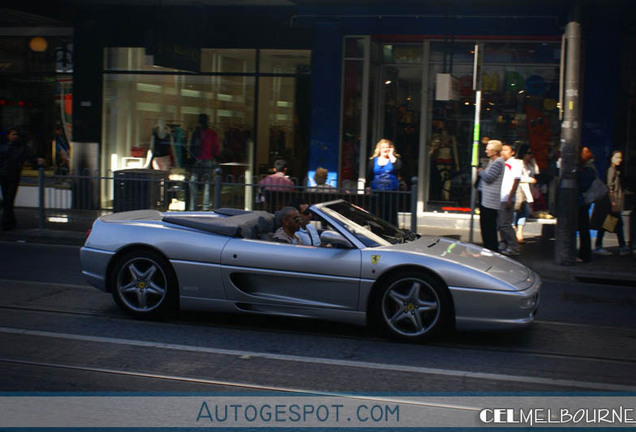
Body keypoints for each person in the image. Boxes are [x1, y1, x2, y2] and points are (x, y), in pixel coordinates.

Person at [0, 127, 45, 231]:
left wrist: (38, 161)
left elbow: (31, 158)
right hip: (5, 175)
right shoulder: (6, 147)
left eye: (16, 135)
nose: (15, 136)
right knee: (8, 198)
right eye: (13, 134)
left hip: (12, 175)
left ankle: (7, 222)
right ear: (8, 136)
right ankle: (9, 221)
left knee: (9, 198)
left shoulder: (21, 148)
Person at [592, 150, 628, 256]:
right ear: (611, 158)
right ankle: (622, 247)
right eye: (617, 157)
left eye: (620, 158)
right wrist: (613, 203)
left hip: (611, 204)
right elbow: (610, 188)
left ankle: (600, 245)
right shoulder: (611, 170)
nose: (619, 160)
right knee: (617, 225)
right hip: (610, 204)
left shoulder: (615, 170)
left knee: (607, 225)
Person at [366, 138, 402, 225]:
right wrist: (367, 187)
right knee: (376, 212)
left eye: (387, 147)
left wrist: (391, 155)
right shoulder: (373, 161)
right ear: (379, 149)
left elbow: (398, 168)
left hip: (391, 190)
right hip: (376, 190)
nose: (385, 149)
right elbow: (369, 175)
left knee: (390, 213)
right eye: (383, 147)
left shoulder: (394, 159)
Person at [477, 139, 505, 252]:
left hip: (491, 200)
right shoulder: (491, 162)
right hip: (486, 197)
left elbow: (489, 178)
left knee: (489, 225)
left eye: (488, 149)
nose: (486, 151)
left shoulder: (498, 162)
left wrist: (480, 171)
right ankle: (488, 247)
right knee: (485, 225)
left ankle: (491, 248)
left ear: (495, 151)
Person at [189, 114, 220, 211]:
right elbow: (216, 148)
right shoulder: (211, 133)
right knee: (207, 184)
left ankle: (193, 206)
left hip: (197, 160)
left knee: (193, 182)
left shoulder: (196, 133)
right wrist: (216, 157)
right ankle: (206, 207)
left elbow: (191, 147)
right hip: (207, 160)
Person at [497, 143, 521, 256]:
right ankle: (504, 243)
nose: (503, 152)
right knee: (500, 223)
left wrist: (510, 198)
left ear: (512, 152)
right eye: (502, 150)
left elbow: (516, 181)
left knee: (505, 223)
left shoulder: (515, 163)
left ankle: (513, 246)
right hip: (500, 197)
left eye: (506, 150)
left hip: (507, 197)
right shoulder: (502, 163)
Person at [514, 145, 539, 243]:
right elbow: (516, 177)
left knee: (525, 212)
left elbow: (536, 171)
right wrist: (528, 180)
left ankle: (519, 232)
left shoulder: (530, 164)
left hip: (528, 191)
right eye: (529, 153)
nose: (530, 155)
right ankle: (515, 231)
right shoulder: (517, 163)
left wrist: (532, 160)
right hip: (519, 190)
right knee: (516, 211)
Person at [576, 146, 597, 263]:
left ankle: (584, 254)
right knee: (583, 227)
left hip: (582, 201)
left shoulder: (587, 169)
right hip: (582, 201)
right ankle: (584, 253)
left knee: (583, 227)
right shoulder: (586, 167)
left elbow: (583, 186)